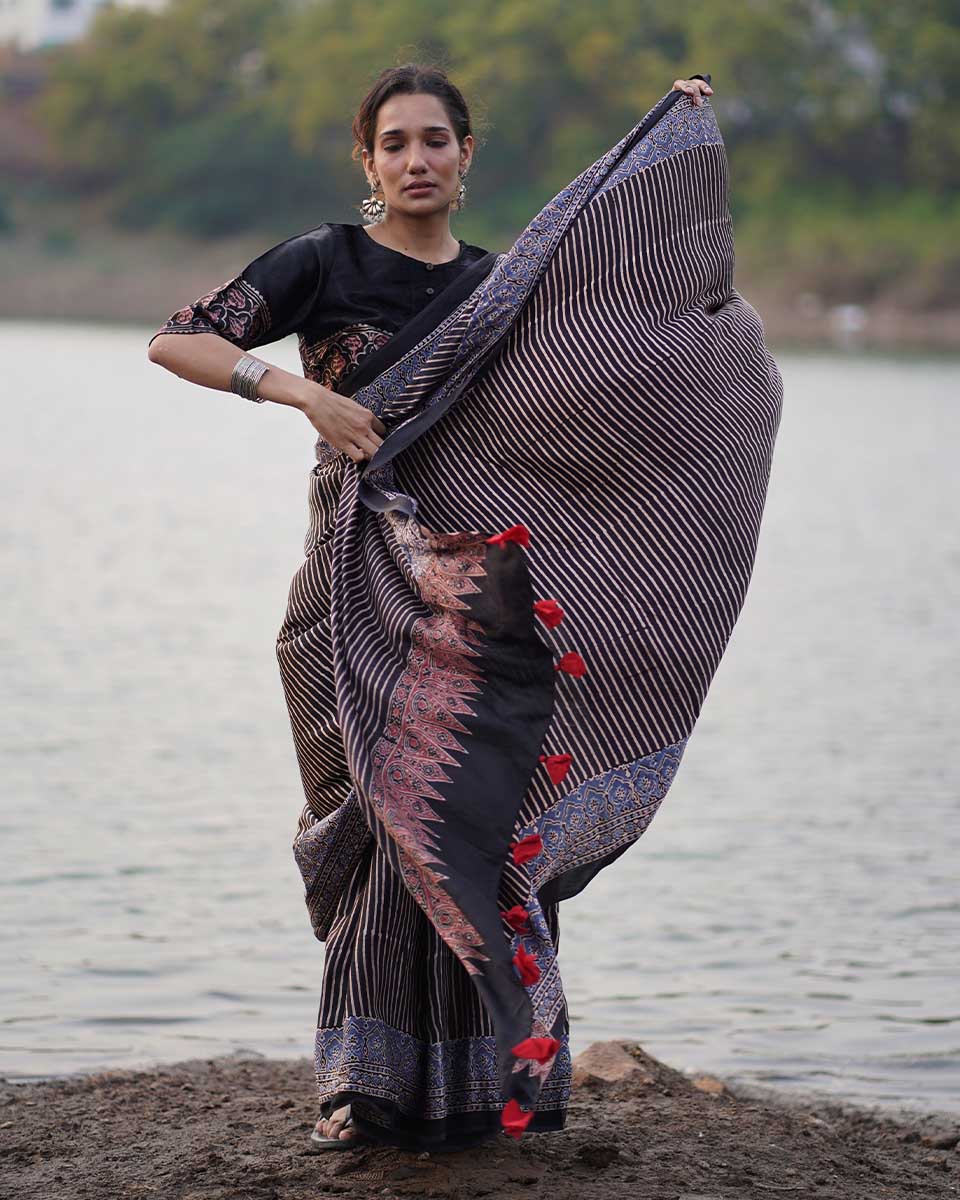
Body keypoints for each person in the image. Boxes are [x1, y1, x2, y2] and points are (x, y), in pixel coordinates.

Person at [147, 64, 727, 1153]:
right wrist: (300, 391)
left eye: (436, 142)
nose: (418, 161)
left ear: (468, 156)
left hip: (476, 595)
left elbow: (587, 406)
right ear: (368, 163)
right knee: (376, 812)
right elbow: (178, 339)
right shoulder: (323, 261)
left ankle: (498, 1083)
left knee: (474, 812)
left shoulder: (506, 288)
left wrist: (670, 137)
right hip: (354, 576)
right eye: (396, 144)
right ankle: (366, 1089)